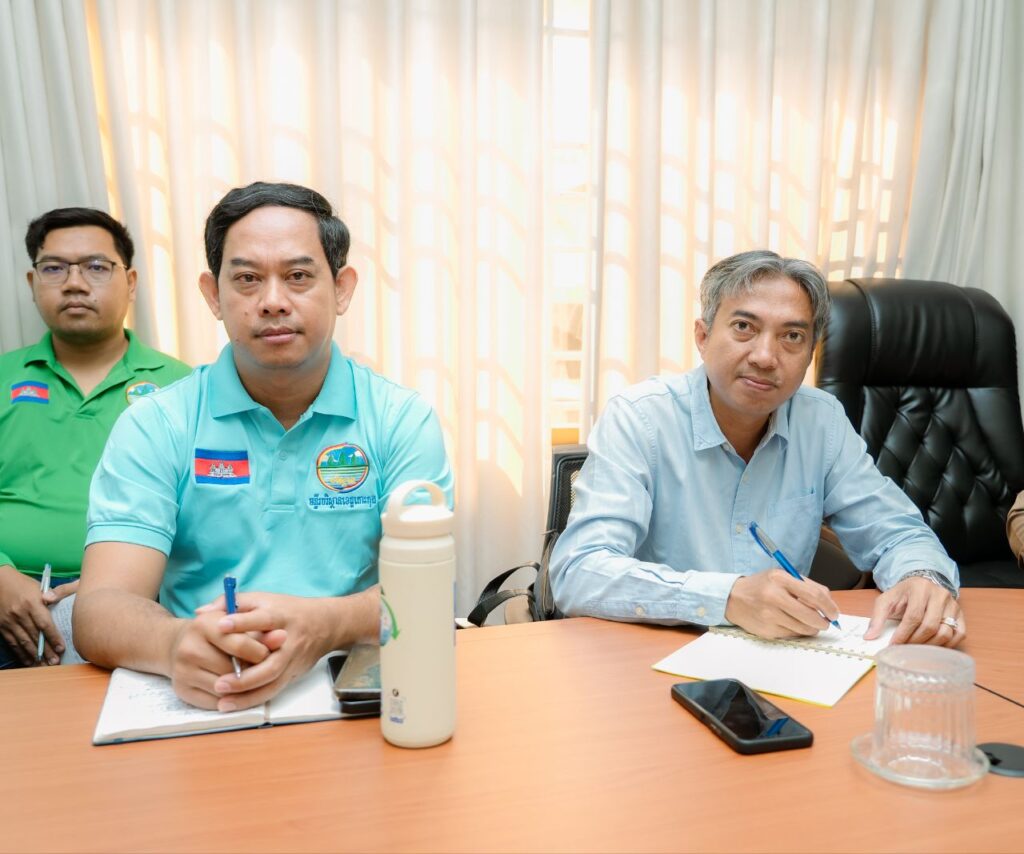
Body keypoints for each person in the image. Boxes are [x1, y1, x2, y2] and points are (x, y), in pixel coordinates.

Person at [74, 182, 452, 711]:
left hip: (352, 690)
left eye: (298, 276)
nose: (273, 302)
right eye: (247, 279)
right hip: (208, 692)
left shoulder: (400, 420)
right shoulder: (156, 424)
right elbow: (99, 608)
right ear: (213, 295)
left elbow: (429, 591)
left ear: (342, 289)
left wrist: (324, 624)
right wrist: (174, 643)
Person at [550, 250, 963, 647]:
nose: (766, 357)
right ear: (703, 336)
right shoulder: (639, 418)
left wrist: (922, 576)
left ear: (810, 354)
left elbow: (896, 531)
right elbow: (579, 571)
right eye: (744, 327)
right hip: (653, 652)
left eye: (792, 336)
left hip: (781, 656)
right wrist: (728, 598)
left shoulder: (821, 421)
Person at [0, 208, 190, 669]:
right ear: (32, 282)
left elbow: (210, 511)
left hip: (140, 599)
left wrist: (120, 584)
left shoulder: (183, 386)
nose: (74, 283)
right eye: (54, 268)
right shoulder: (3, 376)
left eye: (96, 267)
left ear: (131, 282)